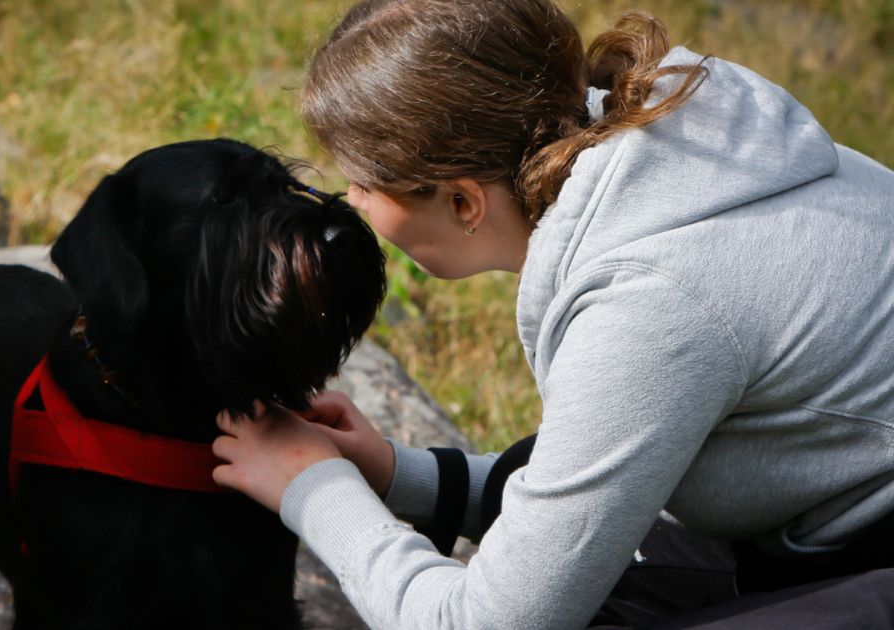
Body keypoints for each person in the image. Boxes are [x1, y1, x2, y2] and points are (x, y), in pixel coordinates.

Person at [210, 1, 894, 628]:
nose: (352, 203)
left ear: (462, 203)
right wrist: (399, 476)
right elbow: (600, 478)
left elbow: (484, 625)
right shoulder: (684, 153)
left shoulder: (650, 302)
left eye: (364, 182)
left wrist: (314, 489)